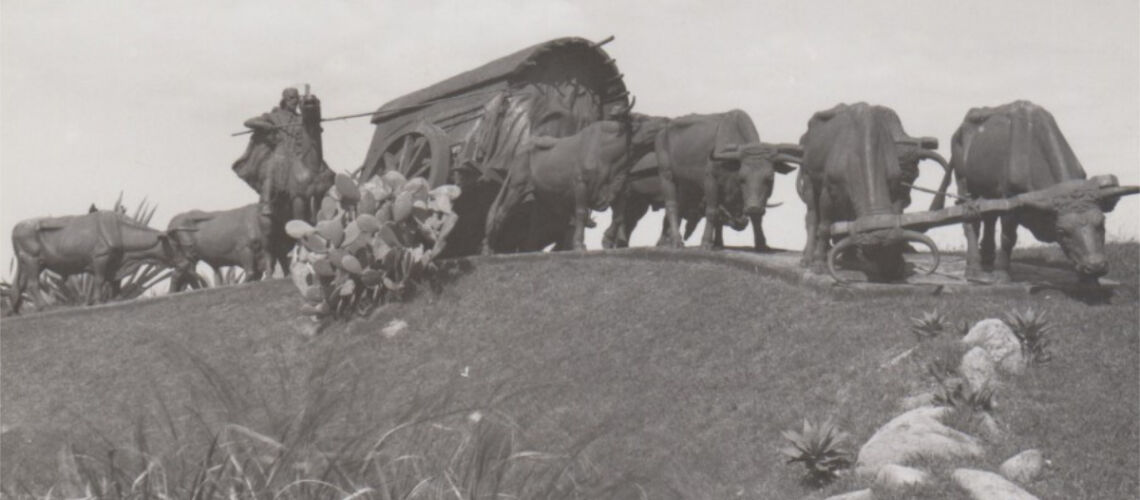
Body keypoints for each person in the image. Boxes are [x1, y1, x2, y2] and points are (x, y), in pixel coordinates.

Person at [231, 87, 306, 209]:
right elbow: (248, 122)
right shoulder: (274, 116)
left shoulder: (301, 119)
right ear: (284, 100)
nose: (294, 101)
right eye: (291, 98)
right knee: (272, 170)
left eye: (296, 98)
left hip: (298, 156)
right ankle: (266, 204)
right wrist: (265, 125)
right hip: (280, 153)